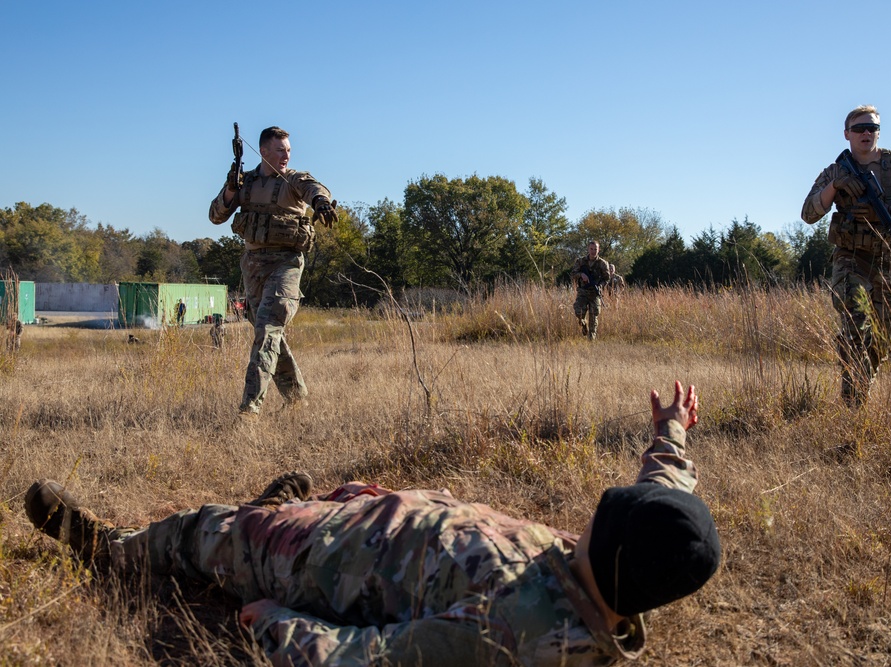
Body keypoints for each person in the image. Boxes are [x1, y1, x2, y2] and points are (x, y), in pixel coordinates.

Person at [25, 382, 720, 667]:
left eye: (604, 515)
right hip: (382, 513)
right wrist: (670, 434)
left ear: (613, 543)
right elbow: (665, 495)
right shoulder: (628, 565)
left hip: (332, 562)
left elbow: (371, 656)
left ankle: (111, 548)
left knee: (217, 530)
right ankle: (274, 510)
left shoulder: (517, 632)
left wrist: (274, 621)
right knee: (317, 500)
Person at [801, 105, 891, 407]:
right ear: (847, 133)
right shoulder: (835, 171)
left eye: (872, 128)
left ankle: (862, 381)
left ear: (878, 132)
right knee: (854, 320)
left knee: (884, 332)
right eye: (860, 128)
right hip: (851, 256)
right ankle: (852, 401)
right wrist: (835, 187)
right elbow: (809, 213)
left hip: (890, 256)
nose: (866, 133)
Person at [208, 126, 338, 416]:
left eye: (288, 150)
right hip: (253, 266)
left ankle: (249, 410)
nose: (286, 155)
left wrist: (322, 202)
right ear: (263, 151)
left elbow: (314, 188)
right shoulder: (246, 182)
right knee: (269, 333)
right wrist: (231, 189)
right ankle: (297, 397)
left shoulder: (293, 179)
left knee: (267, 329)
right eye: (280, 150)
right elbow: (216, 216)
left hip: (286, 265)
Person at [570, 241, 611, 340]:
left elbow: (606, 278)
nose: (593, 251)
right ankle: (583, 324)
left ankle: (591, 338)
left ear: (598, 250)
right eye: (591, 249)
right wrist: (581, 275)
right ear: (588, 249)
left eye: (595, 249)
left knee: (594, 315)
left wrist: (600, 286)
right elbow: (572, 274)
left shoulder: (603, 263)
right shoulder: (580, 261)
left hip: (595, 293)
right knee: (578, 312)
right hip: (583, 292)